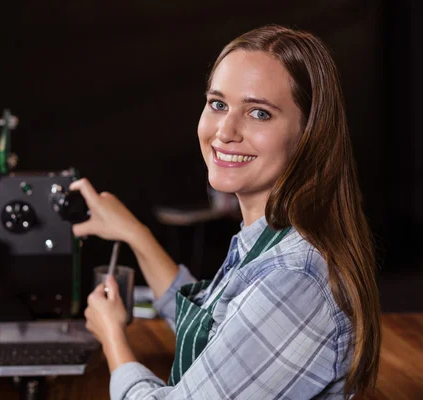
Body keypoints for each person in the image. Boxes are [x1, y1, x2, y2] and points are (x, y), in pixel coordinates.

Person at [71, 24, 381, 399]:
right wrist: (134, 233)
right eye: (218, 104)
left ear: (309, 134)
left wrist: (112, 336)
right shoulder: (267, 238)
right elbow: (211, 329)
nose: (225, 131)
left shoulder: (293, 278)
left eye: (259, 113)